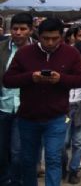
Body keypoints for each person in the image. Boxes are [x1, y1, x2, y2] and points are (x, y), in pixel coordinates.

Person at [3, 17, 81, 186]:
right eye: (46, 38)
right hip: (28, 117)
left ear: (61, 37)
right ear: (38, 36)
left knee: (53, 158)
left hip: (57, 117)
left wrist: (60, 79)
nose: (50, 42)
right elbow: (8, 80)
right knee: (27, 160)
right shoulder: (24, 53)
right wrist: (31, 77)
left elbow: (79, 80)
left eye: (55, 39)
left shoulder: (71, 53)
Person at [0, 12, 33, 186]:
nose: (18, 32)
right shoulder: (2, 48)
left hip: (25, 111)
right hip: (3, 108)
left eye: (22, 29)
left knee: (18, 153)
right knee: (1, 153)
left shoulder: (38, 51)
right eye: (15, 29)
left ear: (30, 30)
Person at [64, 41, 81, 184]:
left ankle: (74, 170)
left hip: (80, 108)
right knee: (64, 140)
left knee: (79, 142)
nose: (80, 60)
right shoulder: (66, 67)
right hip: (66, 109)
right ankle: (63, 166)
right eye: (77, 57)